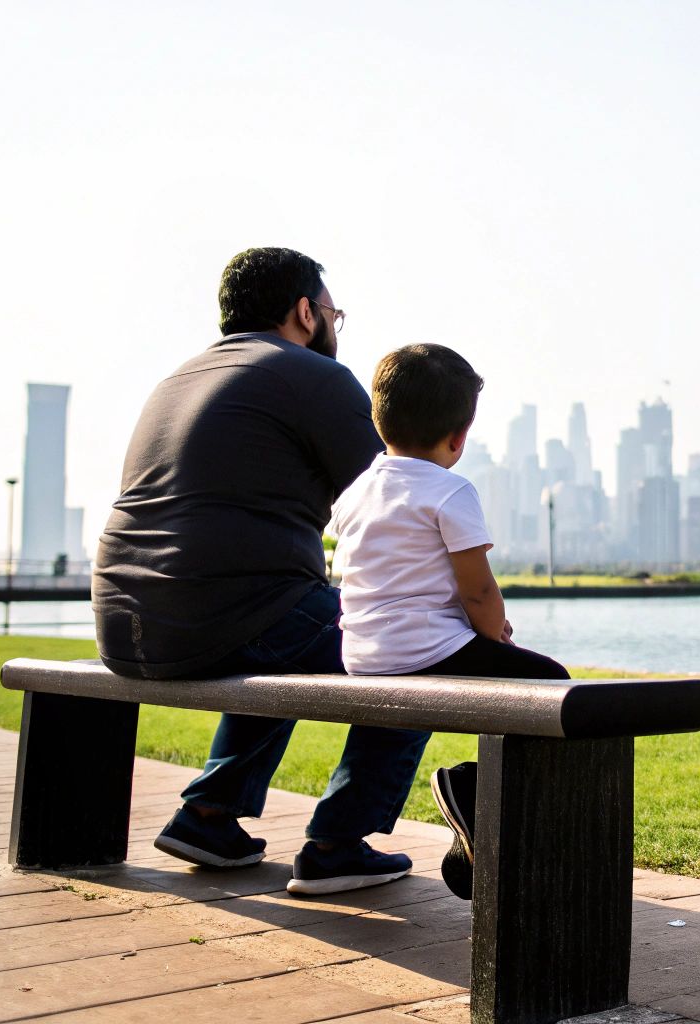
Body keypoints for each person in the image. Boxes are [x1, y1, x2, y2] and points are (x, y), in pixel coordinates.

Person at [93, 247, 428, 895]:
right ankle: (337, 844)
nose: (335, 325)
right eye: (334, 313)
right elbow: (397, 502)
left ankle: (209, 815)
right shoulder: (311, 375)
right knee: (412, 651)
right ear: (305, 312)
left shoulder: (179, 379)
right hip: (223, 615)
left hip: (124, 623)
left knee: (291, 625)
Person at [329, 343, 569, 900]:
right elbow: (478, 587)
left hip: (363, 653)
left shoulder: (358, 490)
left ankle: (330, 845)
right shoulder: (450, 490)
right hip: (426, 649)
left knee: (422, 713)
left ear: (379, 417)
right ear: (459, 437)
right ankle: (472, 787)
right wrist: (495, 635)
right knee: (553, 685)